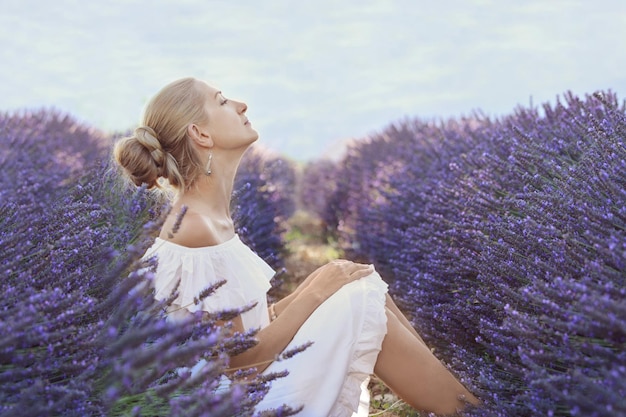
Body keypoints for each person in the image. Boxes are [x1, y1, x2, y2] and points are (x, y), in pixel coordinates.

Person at [113, 77, 479, 416]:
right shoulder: (194, 226)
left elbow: (244, 329)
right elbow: (240, 361)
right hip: (239, 404)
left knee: (359, 284)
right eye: (222, 101)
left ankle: (471, 405)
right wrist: (316, 292)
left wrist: (320, 283)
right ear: (200, 134)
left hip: (249, 387)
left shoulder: (208, 218)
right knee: (358, 299)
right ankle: (475, 411)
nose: (241, 105)